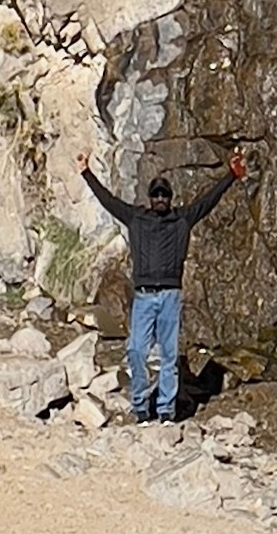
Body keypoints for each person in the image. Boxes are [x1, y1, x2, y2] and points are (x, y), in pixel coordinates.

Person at [77, 146, 246, 422]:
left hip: (169, 296)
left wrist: (231, 175)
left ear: (170, 198)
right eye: (155, 194)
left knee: (169, 357)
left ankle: (166, 411)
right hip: (143, 297)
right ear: (150, 197)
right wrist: (86, 173)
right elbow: (107, 200)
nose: (159, 198)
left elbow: (208, 200)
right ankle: (141, 408)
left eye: (164, 194)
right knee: (135, 351)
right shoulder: (136, 218)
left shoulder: (182, 219)